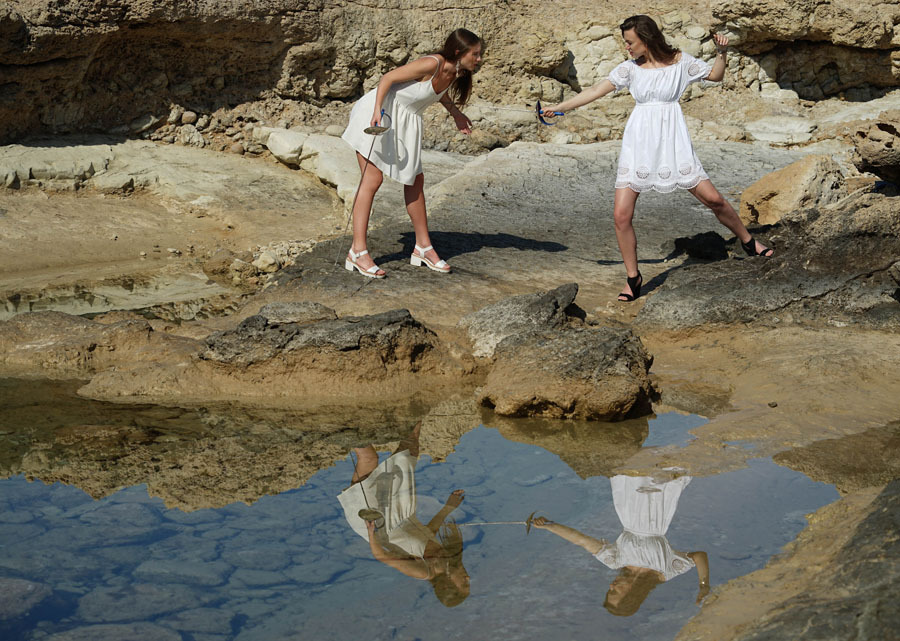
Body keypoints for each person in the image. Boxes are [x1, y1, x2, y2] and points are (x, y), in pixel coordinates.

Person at [541, 15, 773, 301]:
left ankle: (748, 241)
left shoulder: (680, 62)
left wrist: (722, 52)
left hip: (673, 141)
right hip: (639, 143)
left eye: (630, 42)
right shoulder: (629, 69)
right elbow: (595, 91)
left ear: (647, 39)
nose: (626, 47)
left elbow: (715, 76)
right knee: (621, 215)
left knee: (713, 200)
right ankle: (633, 277)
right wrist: (560, 107)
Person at [341, 28, 483, 278]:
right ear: (458, 52)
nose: (479, 59)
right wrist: (377, 111)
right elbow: (387, 78)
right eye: (476, 54)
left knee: (415, 181)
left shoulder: (454, 72)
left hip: (406, 122)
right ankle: (357, 251)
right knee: (373, 179)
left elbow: (439, 93)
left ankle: (423, 248)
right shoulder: (432, 63)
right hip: (379, 114)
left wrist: (456, 114)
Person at [531, 473, 710, 616]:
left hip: (628, 506)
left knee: (631, 466)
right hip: (659, 509)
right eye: (615, 592)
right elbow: (699, 556)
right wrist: (704, 585)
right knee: (669, 468)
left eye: (609, 591)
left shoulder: (615, 561)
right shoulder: (664, 572)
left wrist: (549, 526)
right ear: (631, 596)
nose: (611, 586)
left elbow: (581, 541)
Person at [337, 423, 470, 607]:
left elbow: (382, 557)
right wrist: (448, 507)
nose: (468, 578)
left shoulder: (424, 571)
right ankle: (412, 411)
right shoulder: (446, 558)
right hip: (401, 509)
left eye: (464, 584)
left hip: (378, 522)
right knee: (410, 450)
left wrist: (371, 533)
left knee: (369, 459)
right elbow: (428, 532)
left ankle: (342, 423)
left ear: (448, 586)